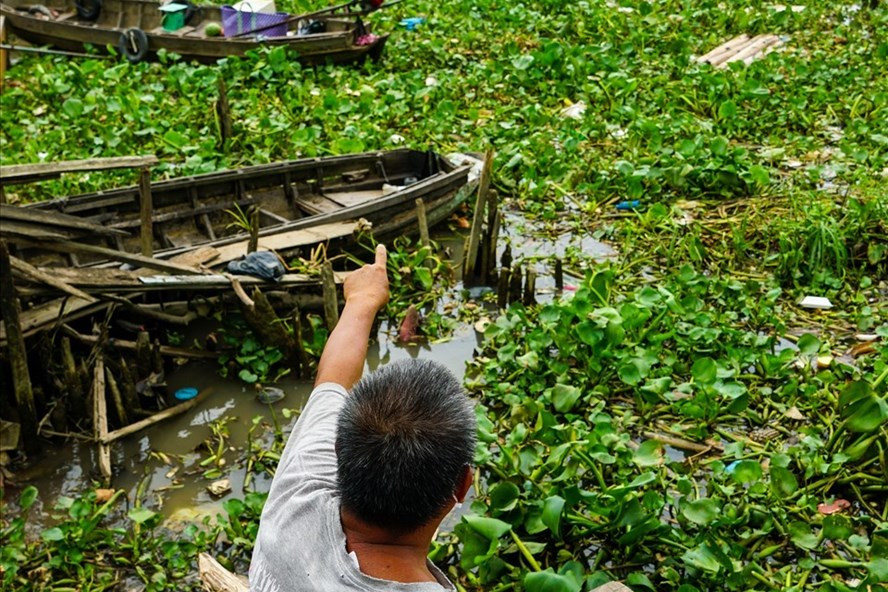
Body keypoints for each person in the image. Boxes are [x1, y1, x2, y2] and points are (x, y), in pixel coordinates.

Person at [249, 244, 476, 591]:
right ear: (461, 487)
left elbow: (332, 379)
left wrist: (362, 300)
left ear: (338, 451)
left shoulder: (296, 496)